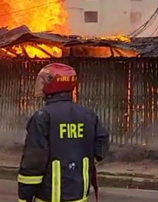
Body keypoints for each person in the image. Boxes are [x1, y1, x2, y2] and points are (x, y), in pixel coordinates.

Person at [17, 63, 110, 202]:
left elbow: (34, 162)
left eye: (43, 81)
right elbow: (101, 146)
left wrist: (25, 196)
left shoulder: (43, 117)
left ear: (52, 84)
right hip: (80, 197)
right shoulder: (88, 115)